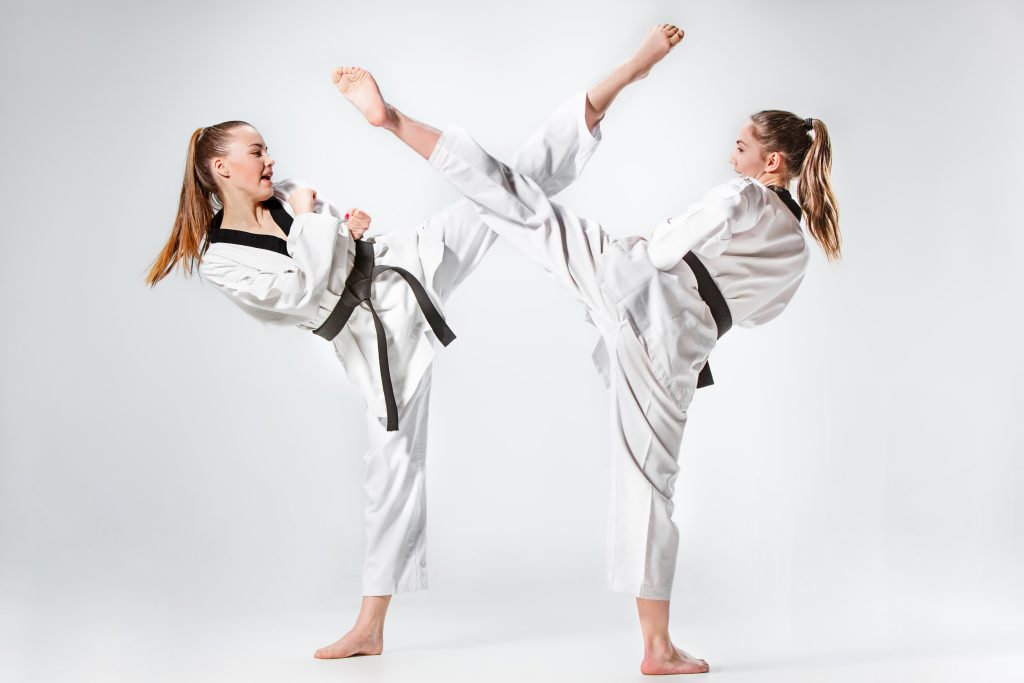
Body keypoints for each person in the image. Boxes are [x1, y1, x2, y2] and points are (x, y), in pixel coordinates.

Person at [333, 22, 841, 675]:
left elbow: (669, 246)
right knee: (652, 482)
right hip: (681, 350)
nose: (732, 156)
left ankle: (393, 121)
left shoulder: (744, 192)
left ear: (772, 164)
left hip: (642, 289)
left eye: (742, 146)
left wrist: (650, 246)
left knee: (517, 202)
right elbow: (763, 313)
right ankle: (657, 647)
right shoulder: (798, 250)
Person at [143, 79, 606, 658]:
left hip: (403, 264)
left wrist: (338, 230)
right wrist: (318, 227)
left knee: (495, 190)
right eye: (257, 151)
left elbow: (327, 258)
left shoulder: (290, 194)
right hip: (375, 341)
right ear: (222, 168)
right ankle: (370, 627)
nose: (270, 160)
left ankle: (597, 102)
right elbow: (300, 293)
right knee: (391, 471)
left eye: (266, 149)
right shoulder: (223, 259)